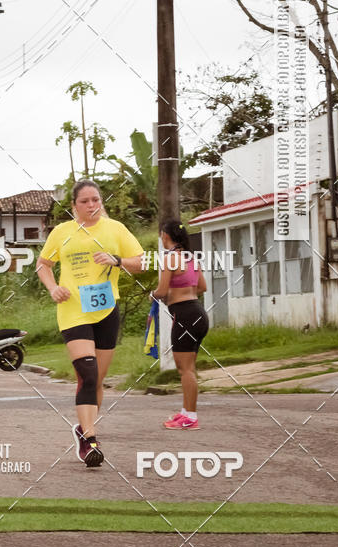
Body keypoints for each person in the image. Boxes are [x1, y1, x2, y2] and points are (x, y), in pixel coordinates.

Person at [37, 179, 144, 468]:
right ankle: (90, 439)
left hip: (107, 309)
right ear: (74, 206)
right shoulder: (62, 232)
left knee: (97, 379)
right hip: (73, 310)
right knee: (86, 372)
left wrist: (117, 260)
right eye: (84, 202)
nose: (91, 205)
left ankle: (83, 428)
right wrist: (52, 287)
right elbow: (42, 264)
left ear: (101, 202)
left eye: (95, 200)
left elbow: (141, 262)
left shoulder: (116, 229)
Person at [150, 220, 209, 430]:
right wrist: (184, 292)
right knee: (189, 368)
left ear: (165, 235)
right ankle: (186, 412)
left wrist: (152, 295)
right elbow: (202, 287)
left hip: (185, 315)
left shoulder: (169, 259)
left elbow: (162, 290)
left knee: (185, 370)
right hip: (198, 313)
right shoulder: (191, 258)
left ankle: (191, 417)